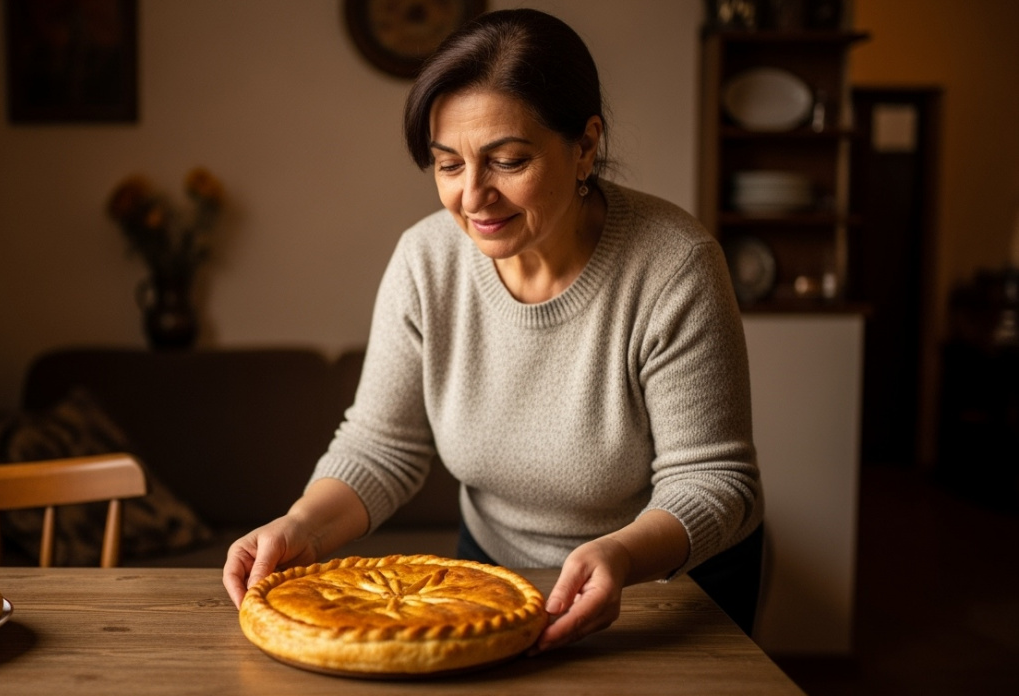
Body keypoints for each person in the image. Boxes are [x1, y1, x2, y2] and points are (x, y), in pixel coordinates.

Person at [223, 8, 764, 653]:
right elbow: (380, 447)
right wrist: (303, 526)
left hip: (666, 590)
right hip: (495, 579)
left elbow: (714, 481)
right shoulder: (425, 262)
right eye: (448, 165)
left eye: (507, 161)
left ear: (586, 144)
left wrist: (619, 556)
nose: (473, 196)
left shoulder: (674, 267)